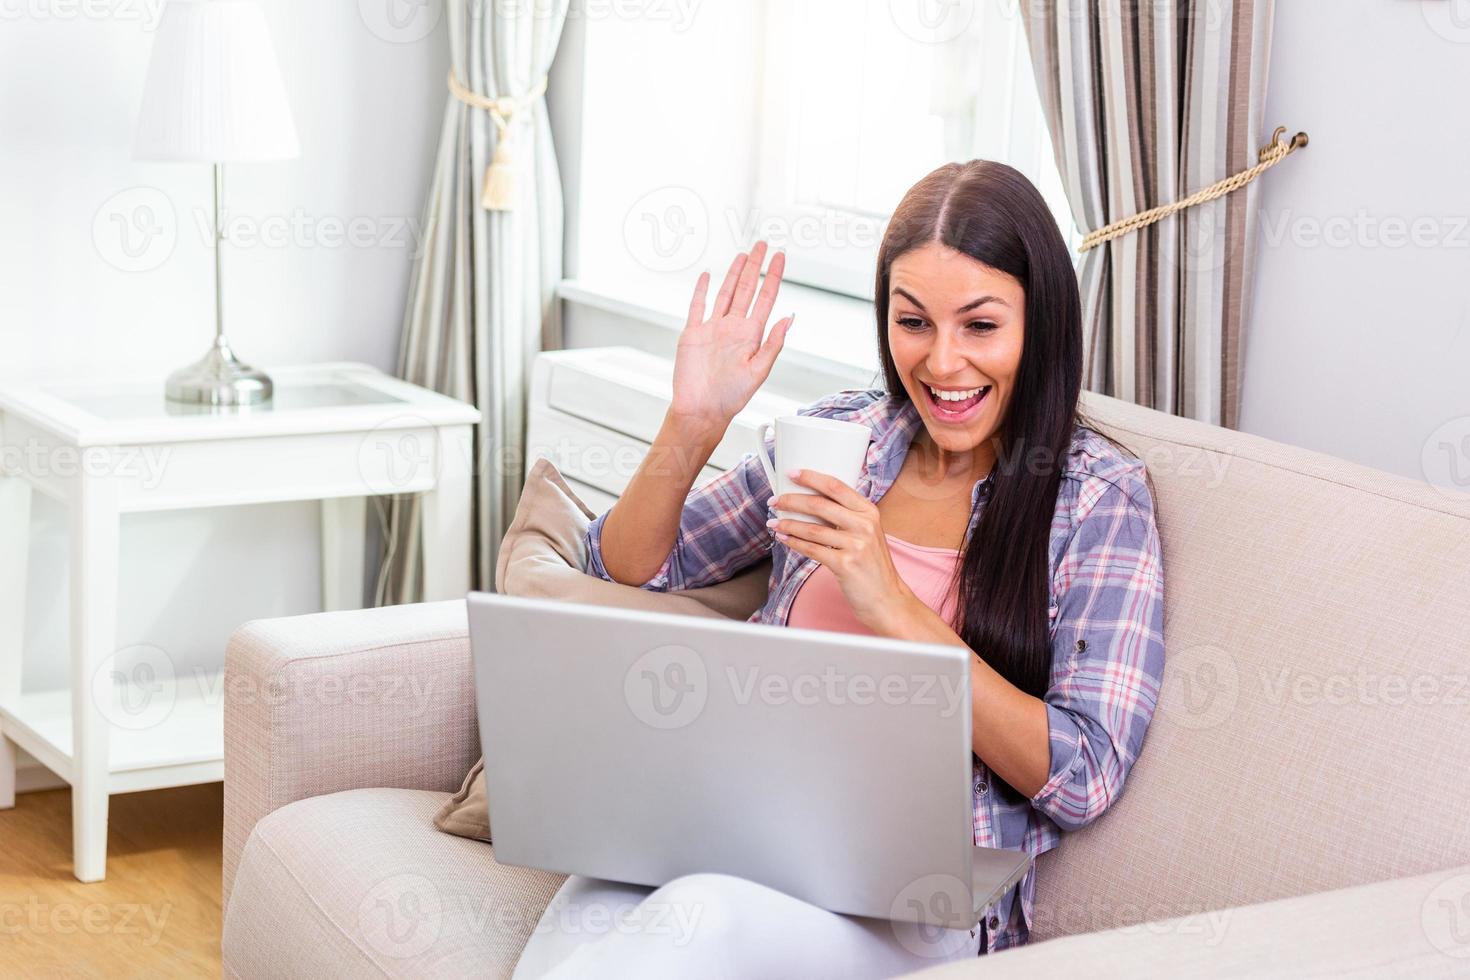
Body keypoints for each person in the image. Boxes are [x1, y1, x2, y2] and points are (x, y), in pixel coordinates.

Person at [512, 160, 1166, 978]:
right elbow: (634, 567)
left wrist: (892, 601)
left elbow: (1085, 774)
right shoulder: (843, 438)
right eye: (914, 321)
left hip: (916, 900)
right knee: (592, 893)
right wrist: (693, 422)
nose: (943, 363)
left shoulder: (1098, 501)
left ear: (1042, 324)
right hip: (744, 826)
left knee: (697, 919)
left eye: (981, 325)